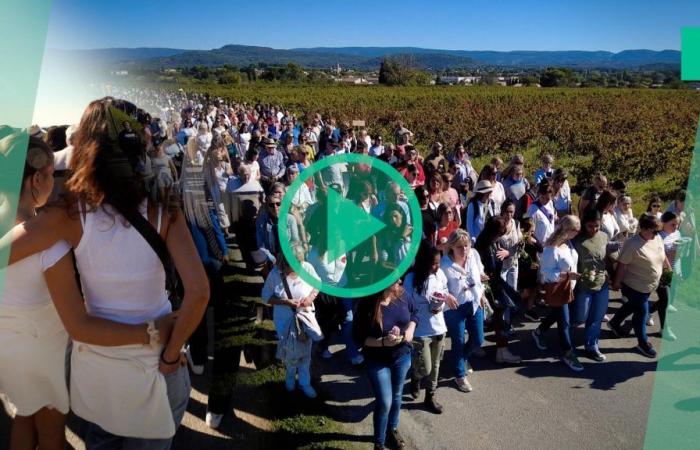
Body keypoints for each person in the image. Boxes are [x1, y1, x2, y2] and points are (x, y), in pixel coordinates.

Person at [3, 98, 210, 447]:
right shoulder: (164, 207)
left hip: (99, 372)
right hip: (156, 369)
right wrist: (171, 350)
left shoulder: (66, 215)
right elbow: (199, 292)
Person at [354, 281, 417, 450]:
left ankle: (392, 429)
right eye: (395, 281)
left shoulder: (402, 294)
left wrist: (410, 329)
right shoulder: (366, 303)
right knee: (385, 401)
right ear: (383, 282)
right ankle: (379, 442)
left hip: (402, 356)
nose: (400, 283)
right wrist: (383, 343)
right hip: (377, 360)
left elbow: (415, 313)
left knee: (397, 395)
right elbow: (359, 338)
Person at [262, 245, 321, 398]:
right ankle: (289, 378)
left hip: (305, 319)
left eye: (300, 262)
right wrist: (286, 302)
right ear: (286, 262)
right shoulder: (275, 274)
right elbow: (266, 297)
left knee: (306, 351)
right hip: (285, 321)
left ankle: (304, 382)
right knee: (290, 353)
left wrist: (310, 299)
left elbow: (317, 284)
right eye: (295, 264)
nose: (299, 267)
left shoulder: (306, 267)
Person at [404, 244, 457, 413]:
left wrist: (443, 302)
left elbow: (444, 292)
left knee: (435, 366)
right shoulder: (411, 279)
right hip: (419, 330)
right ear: (423, 262)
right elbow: (405, 304)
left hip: (439, 328)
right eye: (433, 263)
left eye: (438, 262)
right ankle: (416, 376)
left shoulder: (440, 274)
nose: (437, 266)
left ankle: (430, 397)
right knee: (424, 367)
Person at [607, 214, 666, 358]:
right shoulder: (632, 244)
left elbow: (661, 255)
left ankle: (614, 323)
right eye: (654, 231)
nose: (657, 234)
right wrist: (616, 282)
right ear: (644, 228)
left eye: (658, 231)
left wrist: (667, 270)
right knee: (641, 312)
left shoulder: (656, 238)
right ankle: (643, 343)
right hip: (634, 285)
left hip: (649, 285)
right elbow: (622, 265)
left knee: (632, 306)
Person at [531, 215, 584, 372]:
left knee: (557, 314)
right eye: (576, 230)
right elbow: (546, 274)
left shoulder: (566, 243)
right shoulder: (551, 250)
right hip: (558, 289)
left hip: (567, 287)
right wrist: (567, 276)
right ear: (568, 230)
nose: (578, 233)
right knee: (564, 322)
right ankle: (567, 352)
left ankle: (539, 331)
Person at [441, 229, 487, 392]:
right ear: (452, 247)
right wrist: (446, 295)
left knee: (478, 339)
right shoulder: (444, 264)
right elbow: (439, 286)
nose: (464, 250)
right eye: (460, 246)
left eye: (466, 245)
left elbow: (479, 273)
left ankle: (460, 360)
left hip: (474, 303)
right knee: (458, 341)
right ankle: (459, 375)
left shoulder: (473, 255)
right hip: (455, 309)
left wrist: (481, 291)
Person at [475, 216, 521, 364]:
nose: (501, 237)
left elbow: (511, 250)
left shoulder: (494, 242)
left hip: (496, 283)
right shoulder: (482, 246)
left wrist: (507, 253)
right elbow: (476, 266)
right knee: (496, 317)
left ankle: (496, 348)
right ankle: (501, 351)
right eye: (500, 233)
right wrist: (480, 276)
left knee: (502, 314)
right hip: (488, 286)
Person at [571, 209, 610, 362]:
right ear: (583, 225)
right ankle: (565, 336)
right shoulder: (576, 240)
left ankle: (591, 345)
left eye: (597, 226)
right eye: (590, 226)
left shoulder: (604, 236)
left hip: (601, 283)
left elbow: (607, 256)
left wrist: (611, 269)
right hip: (583, 285)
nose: (594, 229)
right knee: (581, 316)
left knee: (597, 317)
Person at [648, 211, 680, 341]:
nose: (676, 227)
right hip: (661, 272)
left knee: (668, 300)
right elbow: (656, 256)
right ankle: (664, 329)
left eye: (677, 224)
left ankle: (648, 311)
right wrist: (671, 254)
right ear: (664, 223)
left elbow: (679, 254)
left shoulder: (677, 234)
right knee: (666, 299)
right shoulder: (659, 236)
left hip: (675, 270)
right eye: (673, 224)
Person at [519, 218, 543, 321]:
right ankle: (513, 305)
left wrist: (534, 241)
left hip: (533, 268)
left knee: (533, 290)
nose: (532, 233)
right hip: (525, 269)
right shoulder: (520, 240)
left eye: (533, 231)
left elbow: (540, 248)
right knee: (526, 292)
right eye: (531, 231)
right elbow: (519, 256)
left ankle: (529, 310)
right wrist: (528, 265)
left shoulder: (533, 238)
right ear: (524, 230)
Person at [499, 199, 522, 291]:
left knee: (513, 291)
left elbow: (520, 243)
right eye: (507, 212)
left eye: (511, 212)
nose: (509, 215)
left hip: (513, 264)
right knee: (502, 292)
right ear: (502, 211)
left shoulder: (516, 224)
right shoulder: (497, 224)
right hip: (501, 266)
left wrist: (509, 252)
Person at [527, 180, 557, 245]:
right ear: (539, 194)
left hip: (550, 242)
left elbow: (551, 217)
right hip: (539, 244)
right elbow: (528, 229)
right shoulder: (532, 209)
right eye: (542, 197)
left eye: (547, 199)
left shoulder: (550, 203)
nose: (544, 200)